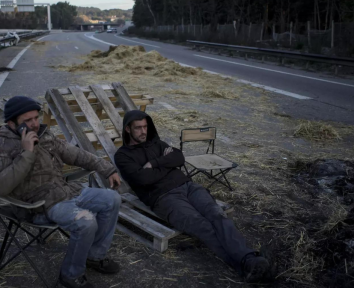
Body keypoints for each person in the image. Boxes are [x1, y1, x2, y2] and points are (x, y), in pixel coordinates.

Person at [114, 110, 272, 283]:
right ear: (128, 129)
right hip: (165, 198)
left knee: (217, 214)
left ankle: (248, 259)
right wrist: (168, 165)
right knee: (202, 226)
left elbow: (179, 158)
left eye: (145, 127)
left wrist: (155, 163)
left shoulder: (157, 143)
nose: (143, 131)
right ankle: (246, 263)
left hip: (189, 187)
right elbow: (143, 179)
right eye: (138, 128)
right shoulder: (122, 156)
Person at [0, 96, 122, 288]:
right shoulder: (1, 146)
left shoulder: (45, 136)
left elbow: (75, 154)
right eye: (27, 120)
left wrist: (107, 168)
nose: (34, 124)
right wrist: (27, 153)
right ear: (11, 123)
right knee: (86, 221)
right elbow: (1, 186)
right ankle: (70, 276)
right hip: (36, 206)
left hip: (65, 192)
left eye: (36, 117)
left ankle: (94, 256)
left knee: (112, 198)